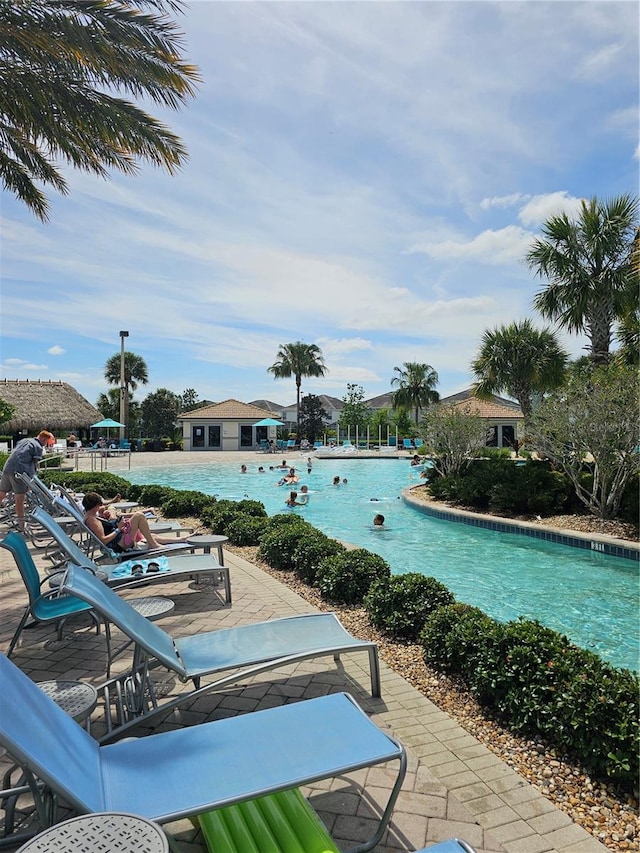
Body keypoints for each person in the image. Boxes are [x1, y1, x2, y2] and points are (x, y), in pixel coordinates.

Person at [82, 492, 190, 553]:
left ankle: (180, 539)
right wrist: (118, 529)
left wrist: (105, 517)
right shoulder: (92, 520)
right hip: (120, 546)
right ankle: (154, 545)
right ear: (96, 505)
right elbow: (104, 541)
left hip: (120, 540)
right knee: (139, 516)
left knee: (149, 536)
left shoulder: (90, 516)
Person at [0, 430, 54, 532]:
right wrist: (31, 480)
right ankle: (21, 525)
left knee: (1, 493)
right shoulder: (38, 446)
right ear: (44, 438)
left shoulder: (25, 440)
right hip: (20, 471)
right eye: (47, 442)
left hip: (7, 468)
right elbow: (34, 464)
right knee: (19, 498)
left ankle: (21, 523)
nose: (46, 444)